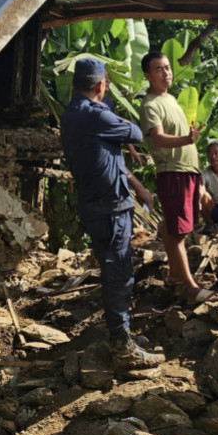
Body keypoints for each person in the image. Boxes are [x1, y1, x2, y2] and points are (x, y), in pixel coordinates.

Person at [60, 58, 164, 371]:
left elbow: (110, 154)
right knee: (118, 274)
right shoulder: (96, 115)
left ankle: (123, 333)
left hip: (95, 206)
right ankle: (121, 344)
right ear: (101, 85)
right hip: (109, 208)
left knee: (113, 271)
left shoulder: (71, 115)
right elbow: (134, 132)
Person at [139, 51, 218, 304]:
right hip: (172, 171)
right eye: (159, 69)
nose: (166, 73)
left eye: (167, 67)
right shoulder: (150, 104)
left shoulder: (171, 99)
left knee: (181, 229)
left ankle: (175, 276)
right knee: (176, 232)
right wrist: (187, 139)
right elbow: (159, 137)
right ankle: (189, 286)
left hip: (187, 171)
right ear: (148, 75)